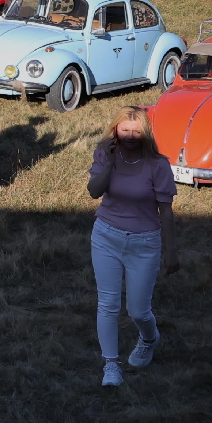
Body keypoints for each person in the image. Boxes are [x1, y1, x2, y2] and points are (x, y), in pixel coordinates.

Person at [86, 106, 178, 387]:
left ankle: (149, 338)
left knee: (138, 310)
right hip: (106, 236)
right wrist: (112, 164)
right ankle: (111, 365)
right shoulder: (104, 154)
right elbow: (94, 192)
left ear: (146, 133)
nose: (130, 135)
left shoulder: (157, 164)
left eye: (136, 131)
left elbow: (167, 210)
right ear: (115, 130)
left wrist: (171, 250)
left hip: (144, 242)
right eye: (125, 129)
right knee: (108, 304)